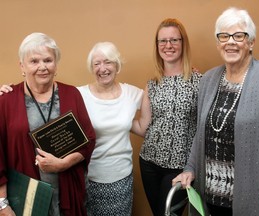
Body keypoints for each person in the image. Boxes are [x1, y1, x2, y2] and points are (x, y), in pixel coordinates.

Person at [172, 7, 259, 216]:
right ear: (218, 43)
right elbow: (201, 133)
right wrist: (190, 168)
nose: (230, 42)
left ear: (251, 42)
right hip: (210, 198)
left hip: (254, 197)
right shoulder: (208, 80)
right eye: (224, 36)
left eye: (239, 36)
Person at [0, 32, 96, 216]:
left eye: (48, 60)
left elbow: (89, 139)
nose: (42, 67)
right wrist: (2, 204)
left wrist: (64, 163)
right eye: (34, 61)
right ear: (22, 66)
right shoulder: (6, 101)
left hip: (67, 192)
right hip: (24, 198)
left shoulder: (72, 94)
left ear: (56, 64)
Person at [132, 18, 202, 216]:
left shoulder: (200, 82)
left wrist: (194, 167)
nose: (168, 45)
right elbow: (144, 127)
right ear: (157, 46)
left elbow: (203, 129)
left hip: (181, 167)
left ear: (183, 43)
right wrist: (117, 120)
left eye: (174, 40)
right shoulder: (152, 84)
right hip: (149, 163)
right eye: (162, 41)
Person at [78, 42, 143, 216]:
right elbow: (46, 101)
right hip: (88, 178)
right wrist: (10, 92)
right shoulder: (79, 95)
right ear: (91, 68)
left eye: (108, 62)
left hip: (121, 178)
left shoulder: (131, 94)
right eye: (97, 63)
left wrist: (186, 77)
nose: (103, 68)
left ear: (117, 65)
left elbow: (161, 98)